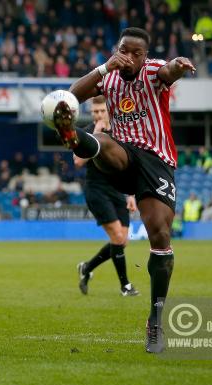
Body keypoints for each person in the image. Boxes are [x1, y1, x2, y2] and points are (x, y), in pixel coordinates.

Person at [50, 27, 196, 353]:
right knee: (102, 142)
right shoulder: (110, 76)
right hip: (123, 156)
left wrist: (179, 65)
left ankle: (155, 320)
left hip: (156, 161)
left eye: (135, 53)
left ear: (145, 56)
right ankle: (73, 137)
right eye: (123, 50)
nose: (128, 58)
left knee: (159, 235)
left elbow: (169, 69)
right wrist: (104, 67)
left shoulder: (154, 71)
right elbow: (72, 95)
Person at [73, 95, 139, 297]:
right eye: (95, 112)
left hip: (118, 190)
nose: (98, 115)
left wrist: (131, 194)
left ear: (109, 110)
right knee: (117, 237)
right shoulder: (86, 132)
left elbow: (129, 166)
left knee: (122, 241)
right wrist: (95, 134)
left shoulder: (120, 132)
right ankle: (125, 286)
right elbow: (77, 161)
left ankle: (87, 267)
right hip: (96, 190)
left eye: (102, 111)